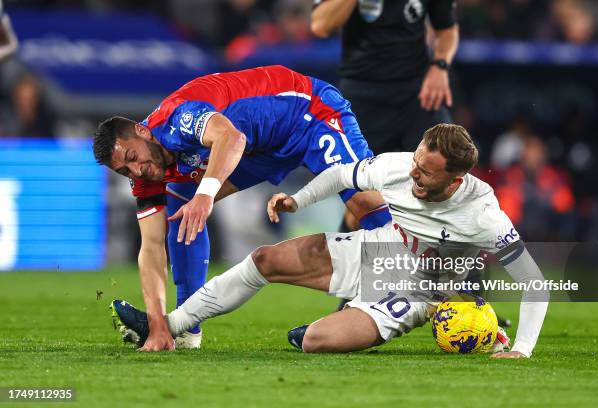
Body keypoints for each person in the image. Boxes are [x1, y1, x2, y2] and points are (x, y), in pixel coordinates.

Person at [111, 124, 548, 358]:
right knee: (265, 258)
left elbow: (536, 281)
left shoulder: (483, 214)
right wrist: (298, 200)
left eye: (426, 172)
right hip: (383, 247)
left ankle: (476, 321)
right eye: (415, 161)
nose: (414, 174)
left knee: (313, 341)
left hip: (423, 286)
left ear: (455, 180)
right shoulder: (400, 167)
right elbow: (343, 174)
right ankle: (168, 325)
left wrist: (524, 352)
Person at [93, 65, 391, 351]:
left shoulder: (180, 117)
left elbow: (231, 138)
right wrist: (157, 324)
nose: (137, 170)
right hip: (260, 148)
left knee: (363, 202)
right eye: (125, 171)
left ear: (143, 132)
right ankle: (185, 327)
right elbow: (152, 248)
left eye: (133, 156)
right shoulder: (144, 176)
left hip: (308, 114)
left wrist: (206, 195)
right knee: (179, 213)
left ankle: (423, 270)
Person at [310, 0, 457, 154]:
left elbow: (447, 29)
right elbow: (321, 25)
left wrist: (440, 65)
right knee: (354, 171)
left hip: (417, 90)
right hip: (361, 89)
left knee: (446, 155)